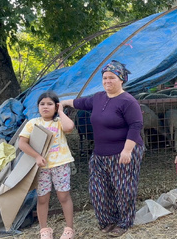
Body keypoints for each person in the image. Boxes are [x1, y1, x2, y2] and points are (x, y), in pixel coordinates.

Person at [61, 60, 144, 237]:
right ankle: (107, 220)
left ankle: (124, 222)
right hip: (99, 154)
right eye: (105, 78)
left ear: (121, 80)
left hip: (123, 151)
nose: (107, 81)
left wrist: (128, 150)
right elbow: (79, 103)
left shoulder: (128, 101)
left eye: (112, 78)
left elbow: (136, 126)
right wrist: (62, 103)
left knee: (124, 188)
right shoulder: (98, 98)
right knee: (98, 189)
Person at [18, 91, 75, 239]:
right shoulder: (33, 123)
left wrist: (61, 111)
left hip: (60, 165)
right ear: (38, 107)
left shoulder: (59, 122)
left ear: (55, 107)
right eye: (42, 104)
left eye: (50, 104)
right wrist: (36, 156)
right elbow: (22, 143)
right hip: (41, 167)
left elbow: (69, 128)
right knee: (43, 198)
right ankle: (44, 229)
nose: (45, 107)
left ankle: (69, 228)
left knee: (64, 197)